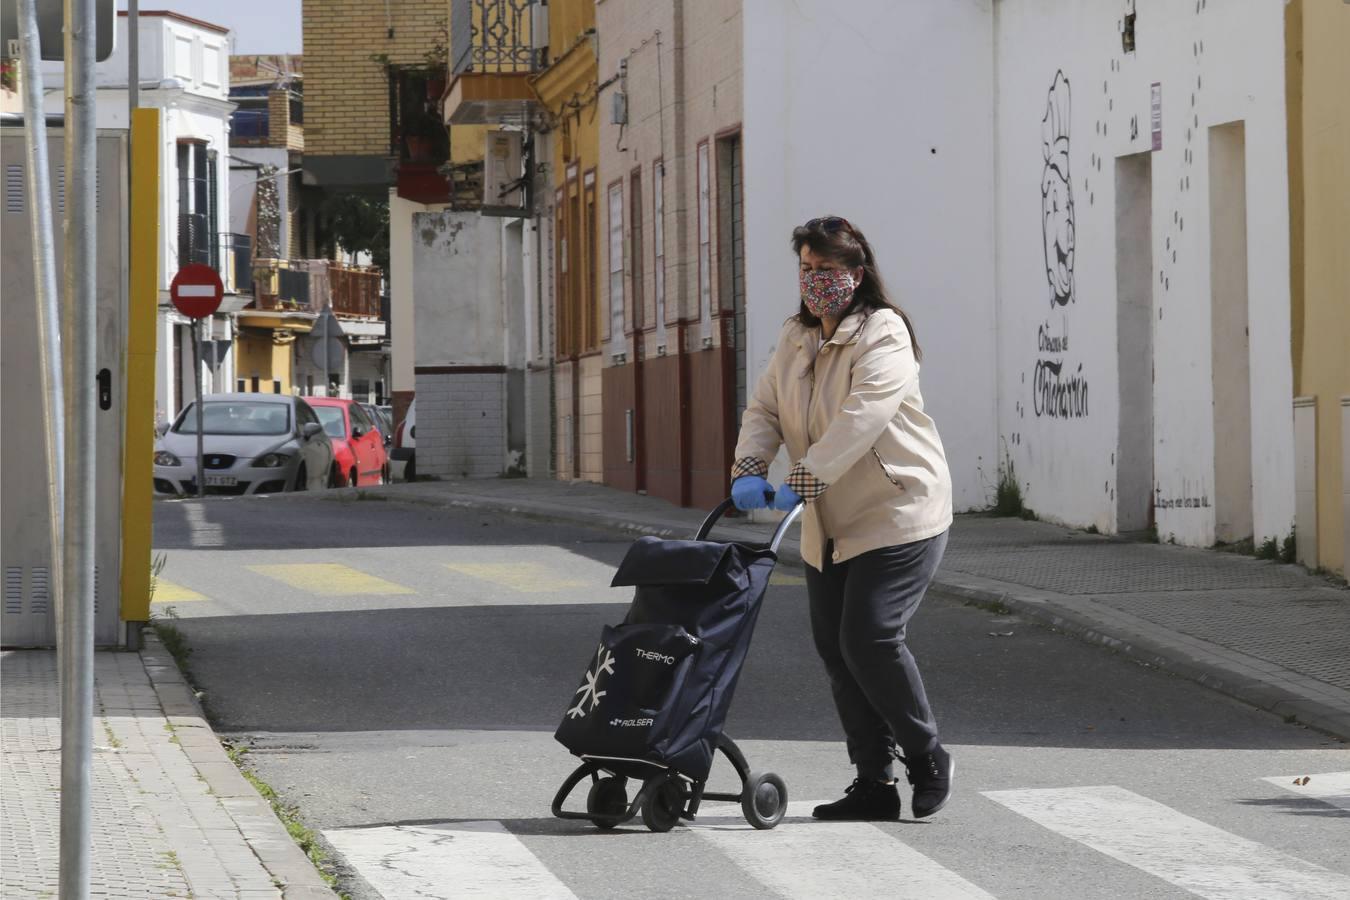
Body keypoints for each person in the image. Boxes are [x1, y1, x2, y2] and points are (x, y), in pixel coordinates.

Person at [730, 216, 954, 821]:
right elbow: (766, 407)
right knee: (836, 649)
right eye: (806, 270)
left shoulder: (884, 332)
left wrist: (799, 482)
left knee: (870, 639)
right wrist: (750, 467)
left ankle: (928, 755)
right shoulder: (795, 337)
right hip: (828, 521)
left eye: (827, 271)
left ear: (856, 273)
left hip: (898, 510)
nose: (815, 282)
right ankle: (874, 785)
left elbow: (862, 417)